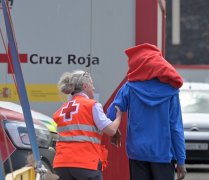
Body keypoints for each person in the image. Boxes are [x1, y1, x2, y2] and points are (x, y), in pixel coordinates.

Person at [107, 43, 187, 180]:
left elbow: (111, 113)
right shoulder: (171, 92)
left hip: (137, 153)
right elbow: (176, 128)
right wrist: (181, 160)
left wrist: (114, 131)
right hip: (163, 155)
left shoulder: (130, 88)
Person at [53, 70, 122, 180]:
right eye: (92, 85)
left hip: (61, 164)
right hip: (85, 164)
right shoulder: (92, 105)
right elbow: (111, 130)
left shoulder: (62, 109)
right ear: (85, 86)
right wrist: (118, 118)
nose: (93, 88)